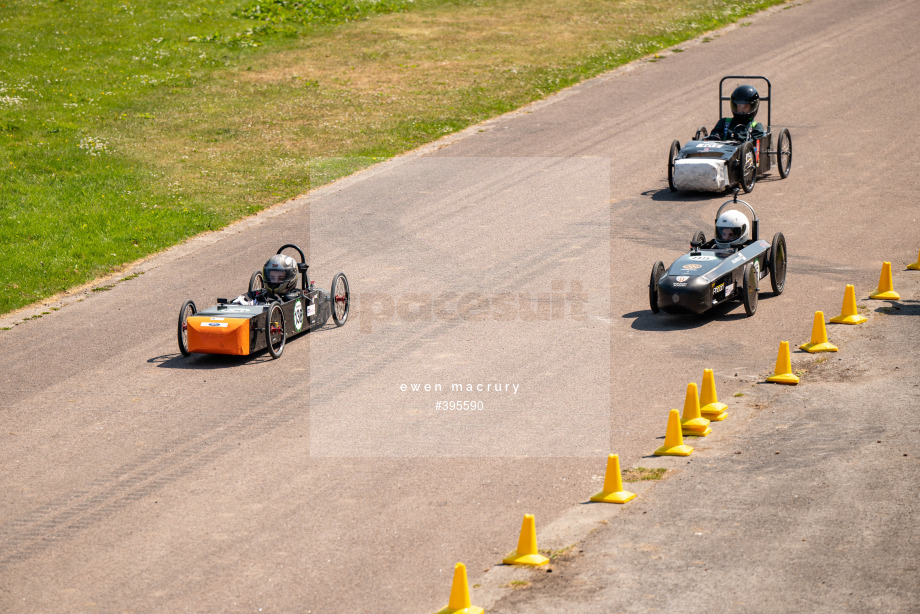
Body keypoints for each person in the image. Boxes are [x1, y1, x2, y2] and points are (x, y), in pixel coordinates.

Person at [231, 254, 300, 305]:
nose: (275, 281)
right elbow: (244, 298)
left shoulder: (296, 296)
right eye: (272, 278)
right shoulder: (263, 295)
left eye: (280, 278)